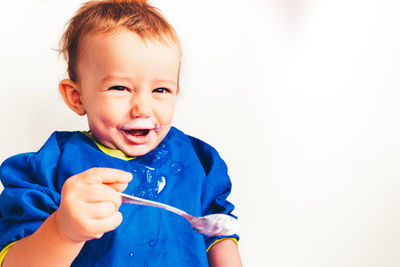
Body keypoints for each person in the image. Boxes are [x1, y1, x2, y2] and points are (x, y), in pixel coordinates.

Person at [0, 0, 242, 266]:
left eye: (161, 90)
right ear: (77, 97)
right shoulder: (50, 167)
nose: (142, 108)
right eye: (120, 88)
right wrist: (61, 231)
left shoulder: (198, 161)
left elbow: (219, 233)